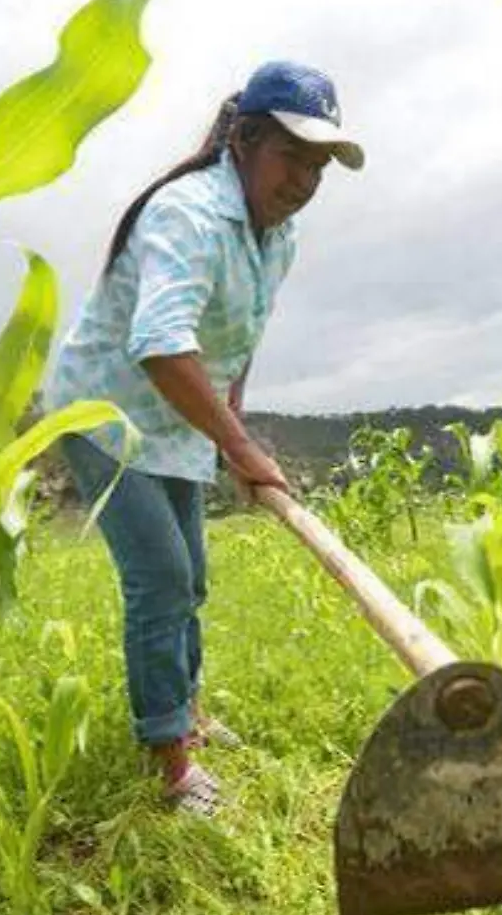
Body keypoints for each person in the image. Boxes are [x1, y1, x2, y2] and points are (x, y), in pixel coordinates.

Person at [43, 61, 364, 816]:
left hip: (178, 411)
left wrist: (232, 431)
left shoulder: (277, 237)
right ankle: (170, 760)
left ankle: (182, 707)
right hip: (108, 411)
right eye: (294, 157)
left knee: (192, 575)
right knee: (159, 578)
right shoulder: (185, 214)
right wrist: (243, 450)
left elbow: (237, 338)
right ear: (245, 139)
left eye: (320, 166)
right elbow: (161, 343)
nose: (305, 181)